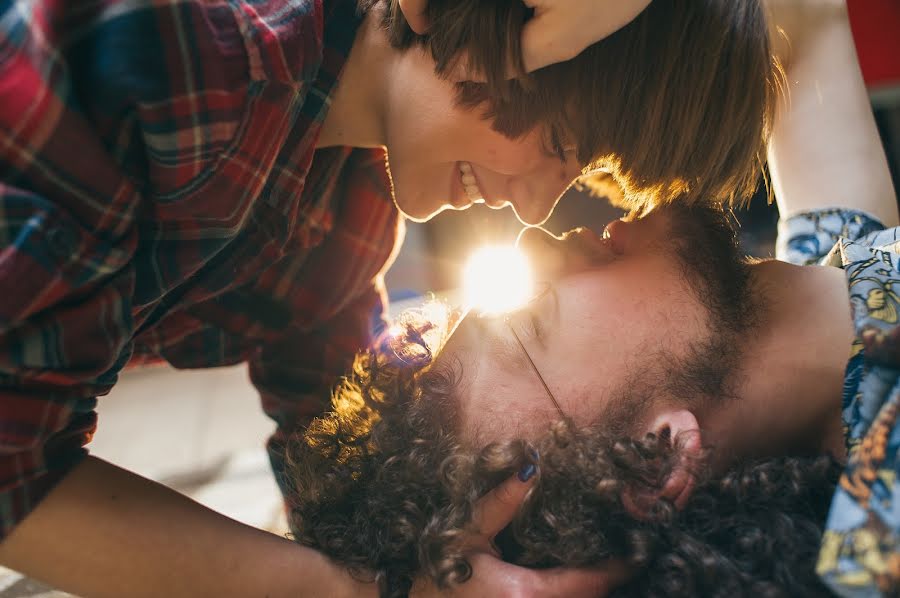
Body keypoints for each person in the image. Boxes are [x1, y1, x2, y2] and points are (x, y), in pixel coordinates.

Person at [0, 0, 779, 596]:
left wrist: (442, 556)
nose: (542, 210)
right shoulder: (194, 54)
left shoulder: (348, 203)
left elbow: (333, 450)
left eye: (574, 177)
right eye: (560, 145)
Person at [283, 2, 900, 596]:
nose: (534, 238)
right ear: (658, 460)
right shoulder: (879, 521)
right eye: (528, 319)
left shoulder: (843, 284)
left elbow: (802, 19)